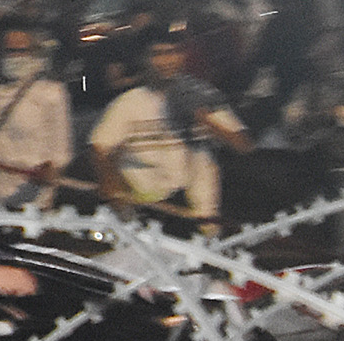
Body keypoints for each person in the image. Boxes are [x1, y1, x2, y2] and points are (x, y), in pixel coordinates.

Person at [86, 27, 247, 224]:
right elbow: (99, 149)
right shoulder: (127, 104)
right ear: (144, 60)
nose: (166, 61)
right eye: (157, 54)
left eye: (173, 52)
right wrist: (110, 181)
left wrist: (206, 120)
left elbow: (242, 145)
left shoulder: (203, 96)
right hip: (150, 214)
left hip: (200, 213)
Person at [0, 7, 76, 205]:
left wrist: (50, 171)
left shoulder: (51, 93)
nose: (16, 58)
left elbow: (60, 153)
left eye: (22, 51)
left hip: (32, 205)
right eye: (10, 51)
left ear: (33, 52)